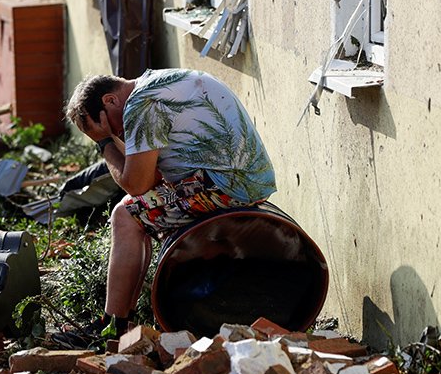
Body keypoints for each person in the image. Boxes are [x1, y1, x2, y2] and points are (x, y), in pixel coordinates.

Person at [53, 69, 277, 349]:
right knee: (132, 210)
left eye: (110, 126)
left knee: (125, 216)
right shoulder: (157, 83)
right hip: (243, 177)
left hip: (226, 184)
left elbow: (135, 183)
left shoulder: (141, 104)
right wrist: (114, 136)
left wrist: (105, 143)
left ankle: (110, 327)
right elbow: (151, 181)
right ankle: (124, 322)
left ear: (110, 100)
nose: (117, 132)